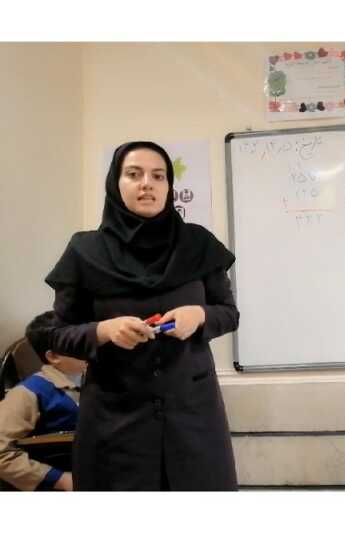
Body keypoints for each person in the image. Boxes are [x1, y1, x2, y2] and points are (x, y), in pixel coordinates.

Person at [44, 141, 239, 490]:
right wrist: (104, 330)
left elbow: (229, 314)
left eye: (158, 176)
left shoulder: (197, 244)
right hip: (114, 421)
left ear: (169, 186)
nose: (147, 183)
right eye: (134, 174)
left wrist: (199, 316)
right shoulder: (85, 251)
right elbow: (57, 334)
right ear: (115, 183)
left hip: (193, 417)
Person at [0, 311, 86, 491]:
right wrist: (60, 479)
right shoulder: (27, 393)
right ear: (53, 357)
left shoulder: (98, 382)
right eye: (80, 343)